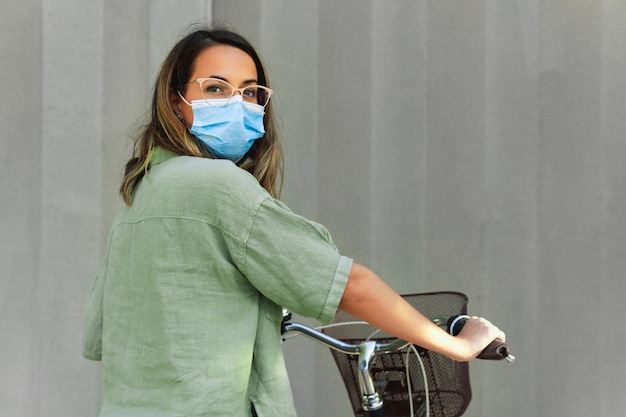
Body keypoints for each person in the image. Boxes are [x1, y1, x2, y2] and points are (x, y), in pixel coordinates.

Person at [82, 26, 505, 417]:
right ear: (176, 101)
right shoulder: (218, 186)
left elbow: (100, 335)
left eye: (250, 93)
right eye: (215, 88)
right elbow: (346, 284)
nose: (237, 103)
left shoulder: (141, 197)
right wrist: (455, 345)